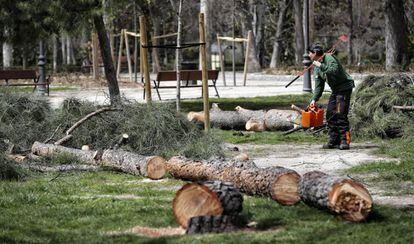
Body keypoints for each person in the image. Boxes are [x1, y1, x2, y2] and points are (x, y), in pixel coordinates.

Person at [308, 43, 355, 150]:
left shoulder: (329, 59)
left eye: (310, 53)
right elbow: (319, 86)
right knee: (330, 115)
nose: (308, 55)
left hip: (344, 88)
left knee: (340, 114)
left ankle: (344, 141)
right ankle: (334, 140)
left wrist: (321, 65)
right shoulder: (316, 67)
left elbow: (334, 70)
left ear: (315, 53)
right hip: (336, 90)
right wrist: (314, 99)